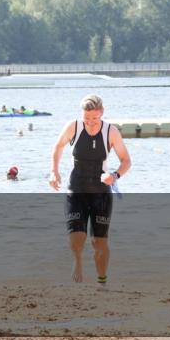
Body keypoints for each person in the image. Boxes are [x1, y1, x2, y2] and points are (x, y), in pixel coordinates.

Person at [49, 94, 131, 285]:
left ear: (102, 113)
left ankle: (102, 281)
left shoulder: (110, 132)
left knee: (99, 243)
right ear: (82, 115)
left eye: (95, 118)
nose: (91, 123)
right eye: (87, 118)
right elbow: (58, 146)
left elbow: (126, 161)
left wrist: (115, 176)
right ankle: (77, 261)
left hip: (100, 193)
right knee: (77, 237)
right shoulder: (74, 127)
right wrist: (54, 172)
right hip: (76, 189)